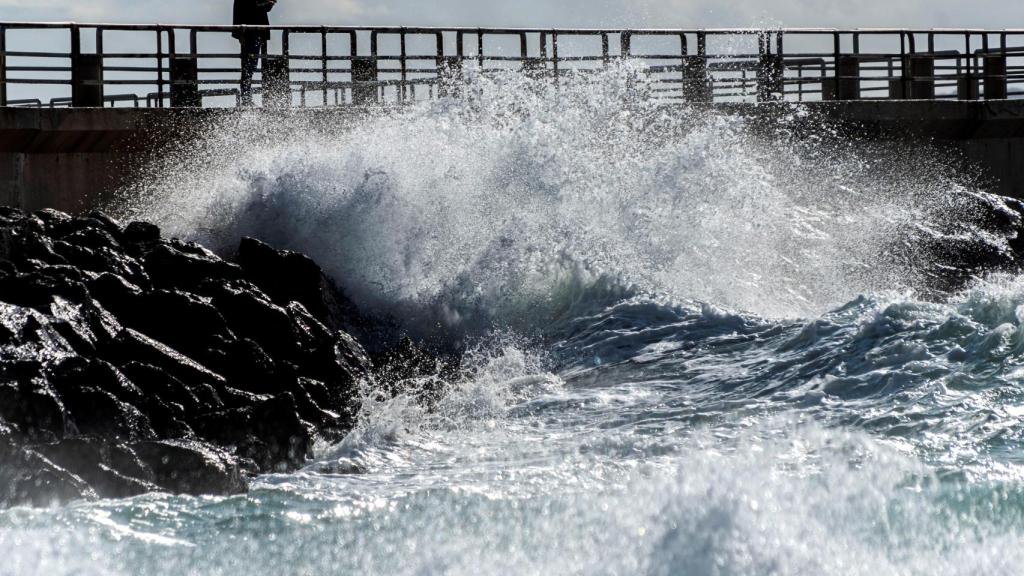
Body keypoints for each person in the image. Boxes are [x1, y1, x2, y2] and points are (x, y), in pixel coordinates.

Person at [233, 0, 276, 105]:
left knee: (250, 66)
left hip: (254, 31)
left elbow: (265, 7)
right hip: (251, 31)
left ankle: (246, 98)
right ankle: (246, 98)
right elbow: (255, 6)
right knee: (249, 66)